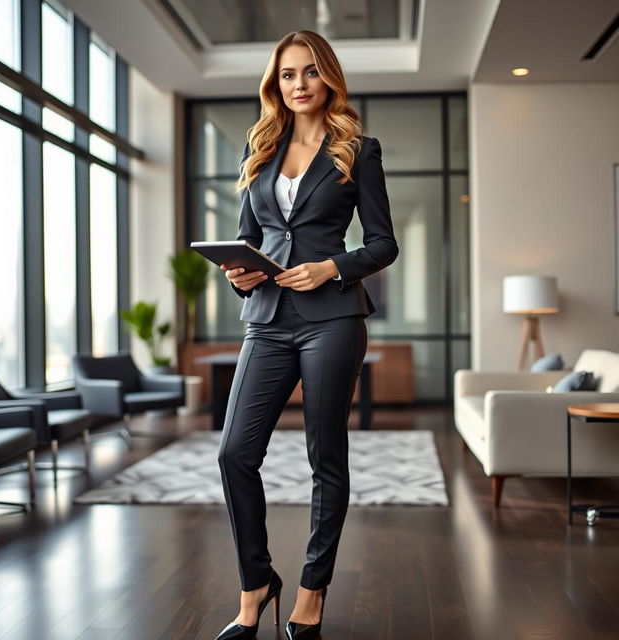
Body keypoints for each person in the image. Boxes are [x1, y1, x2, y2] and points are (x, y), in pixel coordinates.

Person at [214, 29, 399, 640]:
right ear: (277, 84)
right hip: (266, 320)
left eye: (310, 73)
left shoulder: (357, 149)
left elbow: (382, 243)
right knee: (235, 452)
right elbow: (251, 238)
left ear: (329, 79)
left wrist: (333, 266)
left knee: (326, 458)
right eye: (288, 74)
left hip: (332, 320)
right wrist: (241, 275)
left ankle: (311, 593)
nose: (298, 84)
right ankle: (256, 583)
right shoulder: (260, 148)